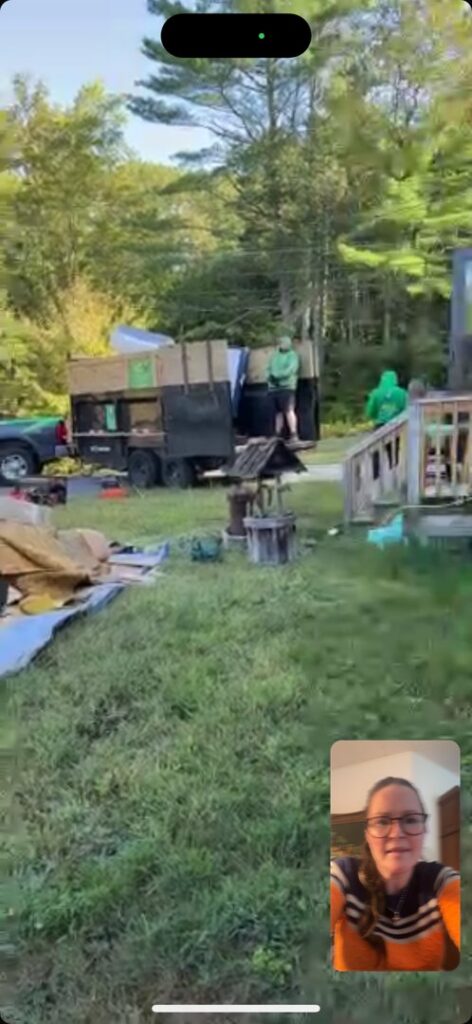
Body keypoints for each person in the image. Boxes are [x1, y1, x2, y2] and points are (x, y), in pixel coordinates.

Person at [330, 777, 460, 971]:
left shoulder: (440, 880)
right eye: (382, 821)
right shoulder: (343, 875)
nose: (397, 833)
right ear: (367, 834)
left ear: (424, 829)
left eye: (410, 820)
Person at [266, 331, 301, 445]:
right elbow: (268, 369)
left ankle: (293, 433)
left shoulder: (292, 355)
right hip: (273, 388)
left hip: (287, 387)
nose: (282, 344)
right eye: (281, 342)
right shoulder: (274, 356)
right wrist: (270, 377)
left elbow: (290, 370)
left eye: (285, 343)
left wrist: (277, 376)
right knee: (277, 412)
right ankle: (277, 434)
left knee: (289, 410)